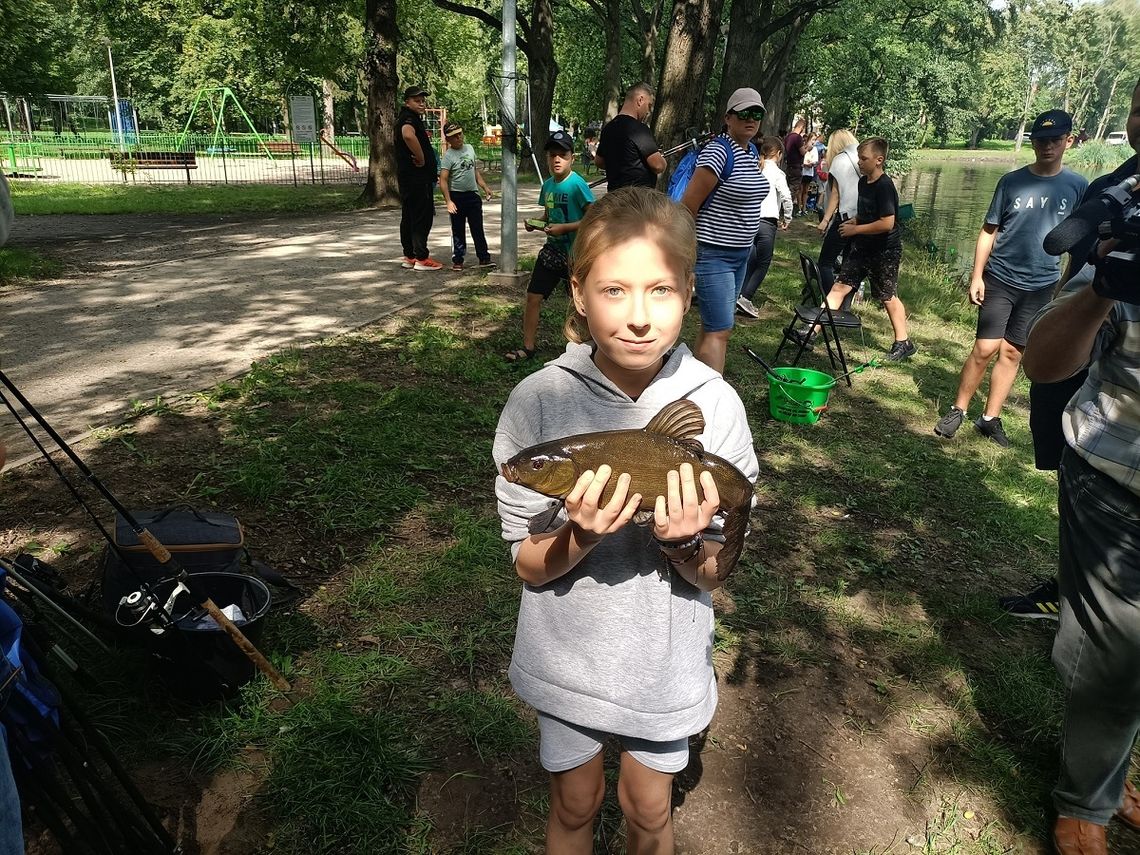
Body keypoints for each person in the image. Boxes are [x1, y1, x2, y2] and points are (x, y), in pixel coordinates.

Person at [493, 186, 759, 855]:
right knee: (573, 801)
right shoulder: (539, 402)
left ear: (691, 290)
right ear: (578, 293)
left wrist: (686, 543)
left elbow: (713, 572)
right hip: (568, 658)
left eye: (660, 291)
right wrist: (578, 535)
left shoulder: (717, 406)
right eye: (615, 291)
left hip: (661, 664)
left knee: (648, 809)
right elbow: (526, 559)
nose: (639, 317)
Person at [1020, 77, 1140, 855]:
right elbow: (1045, 359)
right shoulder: (1113, 199)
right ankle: (1086, 808)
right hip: (1114, 468)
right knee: (1117, 645)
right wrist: (1105, 284)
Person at [933, 110, 1087, 448]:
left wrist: (1065, 287)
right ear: (1033, 142)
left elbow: (1079, 244)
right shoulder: (1012, 182)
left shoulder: (1078, 187)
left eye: (1055, 140)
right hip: (1001, 277)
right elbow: (989, 230)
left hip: (1042, 284)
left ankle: (989, 418)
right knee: (985, 348)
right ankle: (958, 409)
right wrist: (977, 275)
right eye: (1041, 140)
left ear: (1068, 141)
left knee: (1013, 352)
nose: (1048, 146)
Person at [795, 137, 916, 361]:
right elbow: (867, 211)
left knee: (887, 296)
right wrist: (855, 220)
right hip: (863, 247)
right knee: (839, 287)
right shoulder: (863, 183)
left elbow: (887, 222)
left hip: (884, 250)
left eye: (864, 158)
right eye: (859, 157)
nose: (859, 162)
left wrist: (856, 230)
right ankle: (810, 333)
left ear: (879, 160)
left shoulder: (885, 186)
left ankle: (903, 342)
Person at [680, 87, 769, 374]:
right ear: (728, 118)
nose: (750, 119)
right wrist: (685, 250)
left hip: (741, 253)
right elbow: (688, 206)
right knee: (721, 330)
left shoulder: (751, 150)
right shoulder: (719, 151)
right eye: (743, 113)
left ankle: (696, 385)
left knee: (713, 326)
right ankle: (713, 400)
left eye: (756, 113)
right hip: (713, 253)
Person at [503, 130, 595, 362]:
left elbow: (593, 219)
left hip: (576, 255)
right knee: (533, 296)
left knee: (579, 304)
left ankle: (587, 349)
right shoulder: (548, 186)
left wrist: (565, 228)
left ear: (572, 157)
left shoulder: (577, 185)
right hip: (552, 252)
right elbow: (548, 214)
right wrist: (536, 223)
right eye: (552, 155)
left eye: (562, 155)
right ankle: (528, 346)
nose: (556, 159)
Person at [736, 136, 792, 318]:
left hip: (750, 219)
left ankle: (738, 292)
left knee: (749, 258)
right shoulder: (777, 173)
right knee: (763, 262)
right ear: (779, 154)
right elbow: (786, 196)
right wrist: (788, 217)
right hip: (768, 222)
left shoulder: (754, 167)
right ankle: (746, 296)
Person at [395, 85, 442, 271]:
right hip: (418, 178)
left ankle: (410, 255)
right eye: (417, 101)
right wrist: (421, 157)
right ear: (407, 102)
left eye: (423, 101)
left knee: (409, 216)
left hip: (408, 178)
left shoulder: (406, 117)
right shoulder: (409, 118)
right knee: (421, 217)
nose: (421, 104)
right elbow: (408, 135)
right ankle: (422, 257)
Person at [439, 121, 496, 272]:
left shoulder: (470, 149)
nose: (458, 138)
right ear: (448, 140)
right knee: (458, 230)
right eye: (454, 136)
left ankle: (484, 257)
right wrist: (448, 201)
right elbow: (443, 179)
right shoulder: (448, 156)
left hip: (472, 196)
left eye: (459, 134)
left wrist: (485, 187)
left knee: (477, 228)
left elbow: (475, 171)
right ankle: (458, 259)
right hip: (457, 197)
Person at [594, 83, 667, 191]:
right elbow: (658, 165)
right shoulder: (638, 129)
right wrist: (662, 160)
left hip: (614, 198)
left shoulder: (608, 129)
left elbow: (599, 162)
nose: (648, 111)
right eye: (649, 105)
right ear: (640, 100)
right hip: (637, 200)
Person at [816, 129, 861, 296]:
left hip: (845, 218)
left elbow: (835, 194)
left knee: (825, 263)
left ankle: (830, 302)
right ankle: (845, 304)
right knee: (849, 266)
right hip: (862, 219)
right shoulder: (863, 158)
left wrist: (825, 220)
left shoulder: (839, 160)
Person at [783, 119, 810, 217]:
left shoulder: (788, 137)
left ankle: (785, 208)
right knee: (794, 189)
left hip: (789, 166)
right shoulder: (797, 138)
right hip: (796, 167)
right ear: (801, 127)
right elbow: (802, 152)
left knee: (788, 187)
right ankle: (788, 211)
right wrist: (807, 147)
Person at [799, 132, 820, 215]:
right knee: (800, 190)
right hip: (802, 171)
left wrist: (812, 163)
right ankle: (799, 208)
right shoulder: (804, 147)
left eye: (815, 140)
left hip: (809, 172)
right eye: (812, 139)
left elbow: (816, 161)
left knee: (806, 190)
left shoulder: (815, 149)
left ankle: (804, 208)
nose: (813, 142)